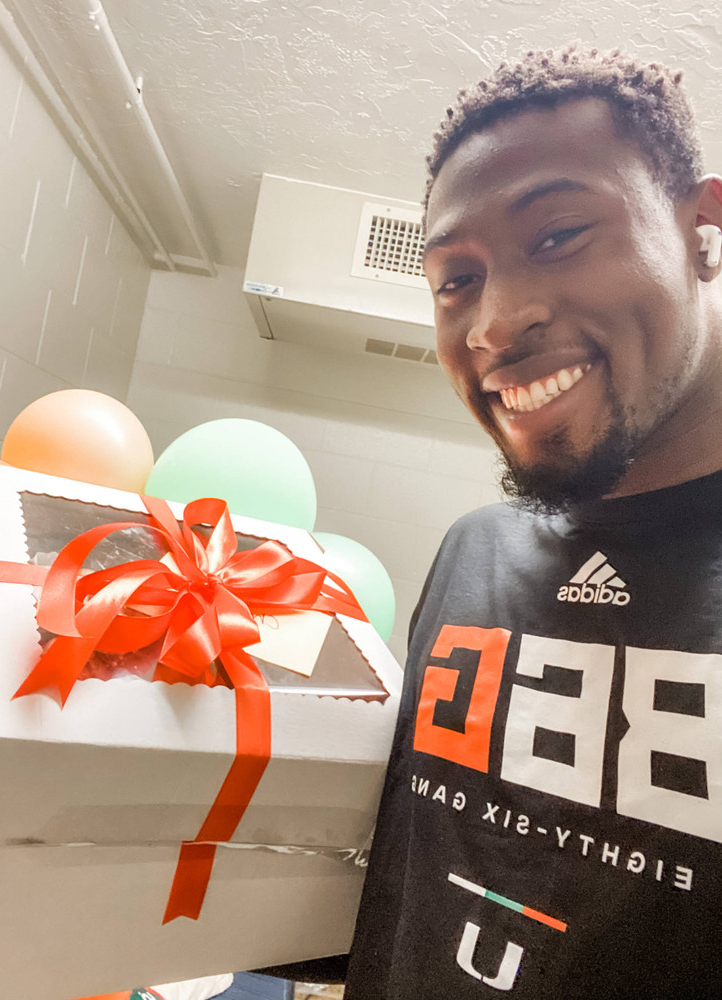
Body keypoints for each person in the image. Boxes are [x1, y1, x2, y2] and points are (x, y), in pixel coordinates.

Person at [260, 43, 722, 996]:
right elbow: (409, 881)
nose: (492, 325)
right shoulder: (474, 552)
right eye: (453, 282)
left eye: (557, 235)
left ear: (703, 230)